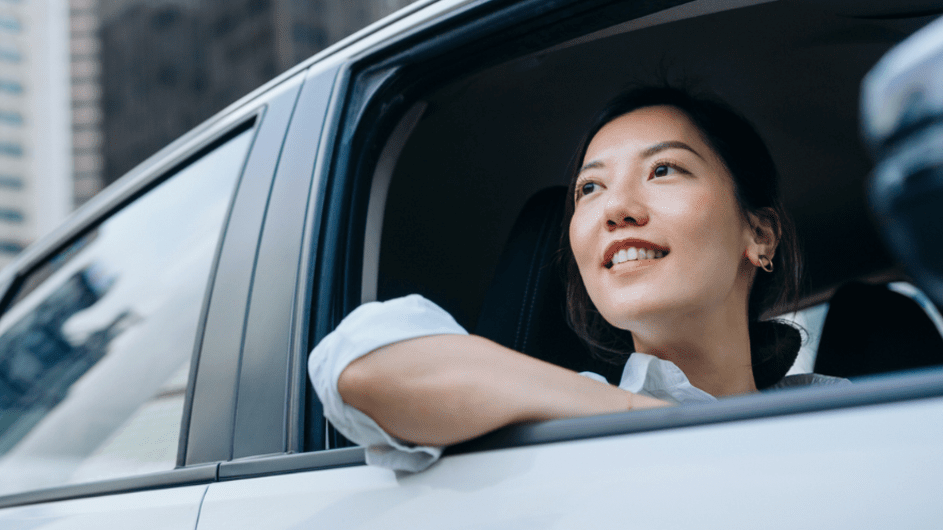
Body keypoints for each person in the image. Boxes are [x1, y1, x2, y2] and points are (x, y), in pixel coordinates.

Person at [308, 86, 847, 472]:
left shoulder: (850, 417)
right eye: (590, 189)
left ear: (759, 235)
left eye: (663, 169)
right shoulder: (560, 419)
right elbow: (358, 366)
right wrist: (648, 421)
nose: (616, 209)